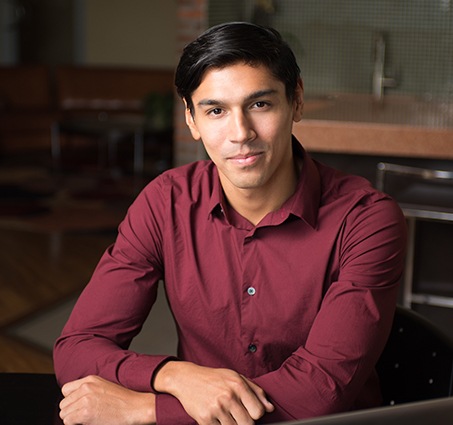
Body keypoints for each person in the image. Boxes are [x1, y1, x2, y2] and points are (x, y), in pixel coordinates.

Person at [53, 22, 407, 425]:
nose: (240, 133)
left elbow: (319, 391)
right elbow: (77, 348)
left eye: (260, 105)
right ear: (191, 120)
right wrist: (175, 375)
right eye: (216, 110)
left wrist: (146, 407)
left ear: (297, 101)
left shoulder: (366, 219)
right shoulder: (165, 202)